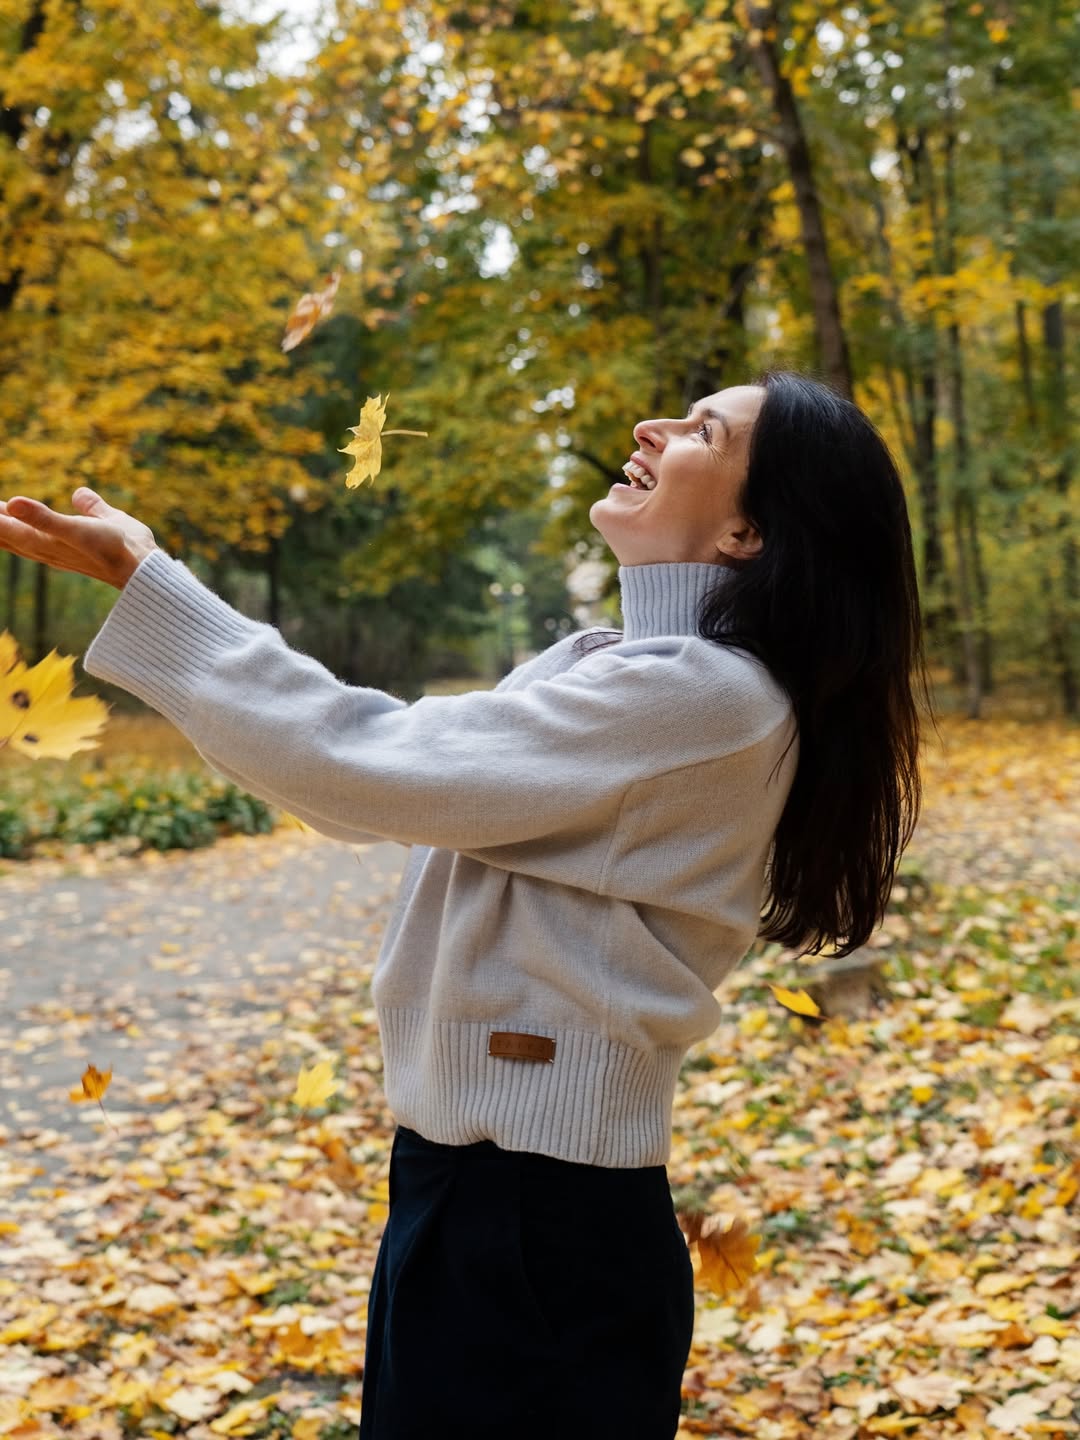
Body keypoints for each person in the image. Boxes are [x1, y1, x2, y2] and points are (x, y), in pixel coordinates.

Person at [0, 370, 931, 1439]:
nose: (651, 426)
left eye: (701, 432)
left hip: (535, 1220)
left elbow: (361, 760)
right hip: (478, 1194)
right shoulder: (621, 668)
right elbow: (365, 776)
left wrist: (151, 581)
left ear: (748, 531)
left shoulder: (705, 700)